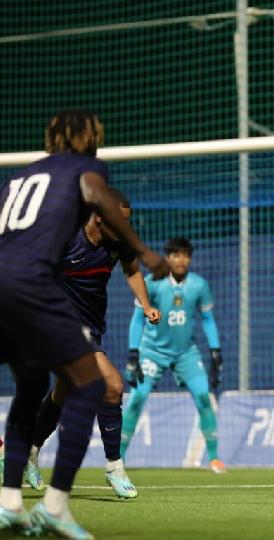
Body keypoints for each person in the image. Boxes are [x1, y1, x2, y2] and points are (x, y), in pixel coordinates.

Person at [0, 109, 168, 539]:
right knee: (98, 385)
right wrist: (145, 252)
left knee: (34, 387)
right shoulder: (82, 169)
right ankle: (58, 505)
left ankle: (10, 501)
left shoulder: (20, 177)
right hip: (32, 288)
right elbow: (95, 193)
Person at [26, 188, 161, 500]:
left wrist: (146, 304)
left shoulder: (121, 241)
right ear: (99, 218)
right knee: (112, 385)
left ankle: (29, 452)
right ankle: (114, 466)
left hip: (90, 327)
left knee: (63, 390)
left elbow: (132, 272)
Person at [120, 237, 226, 473]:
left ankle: (214, 458)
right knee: (137, 398)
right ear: (167, 258)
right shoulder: (152, 283)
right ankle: (118, 459)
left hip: (185, 353)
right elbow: (138, 319)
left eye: (186, 255)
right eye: (176, 255)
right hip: (152, 351)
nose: (182, 260)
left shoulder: (198, 285)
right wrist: (133, 353)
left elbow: (208, 320)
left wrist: (215, 352)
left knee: (203, 398)